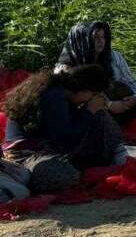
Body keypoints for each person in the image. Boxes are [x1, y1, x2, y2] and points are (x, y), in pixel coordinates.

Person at [2, 64, 127, 194]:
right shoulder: (55, 96)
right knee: (63, 175)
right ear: (83, 90)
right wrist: (89, 111)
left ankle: (116, 152)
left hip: (52, 149)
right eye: (93, 94)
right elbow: (65, 139)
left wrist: (91, 112)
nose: (92, 99)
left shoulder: (62, 94)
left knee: (100, 115)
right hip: (27, 156)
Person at [55, 22, 136, 124]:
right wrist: (109, 105)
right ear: (83, 40)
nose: (101, 41)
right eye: (96, 37)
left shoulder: (113, 57)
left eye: (103, 37)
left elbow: (133, 82)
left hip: (119, 110)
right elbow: (78, 96)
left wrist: (135, 98)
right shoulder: (63, 69)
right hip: (83, 118)